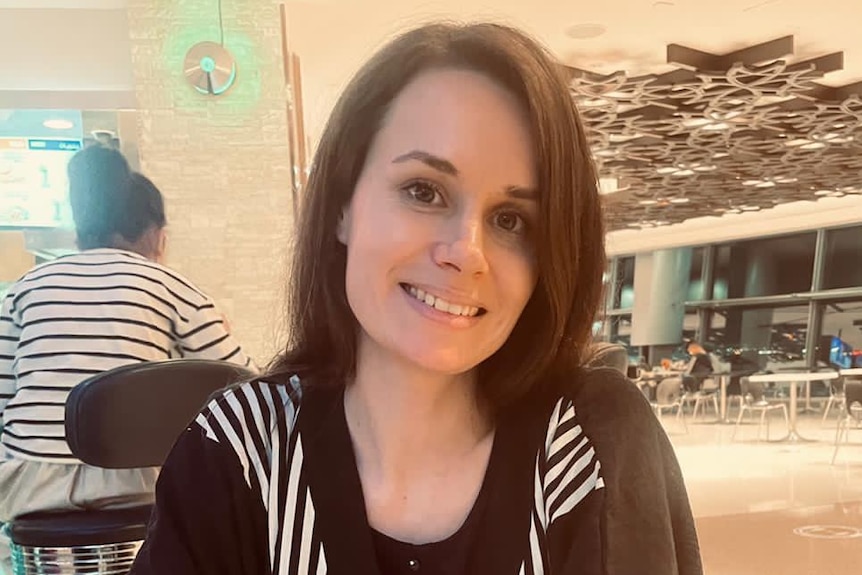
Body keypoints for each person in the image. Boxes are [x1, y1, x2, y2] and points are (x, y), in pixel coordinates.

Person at [130, 23, 702, 575]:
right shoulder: (239, 451)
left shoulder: (588, 447)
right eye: (423, 191)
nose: (466, 251)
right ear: (341, 206)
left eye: (511, 219)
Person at [0, 145, 255, 573]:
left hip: (27, 488)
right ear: (154, 233)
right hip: (134, 485)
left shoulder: (25, 288)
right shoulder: (171, 285)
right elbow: (247, 385)